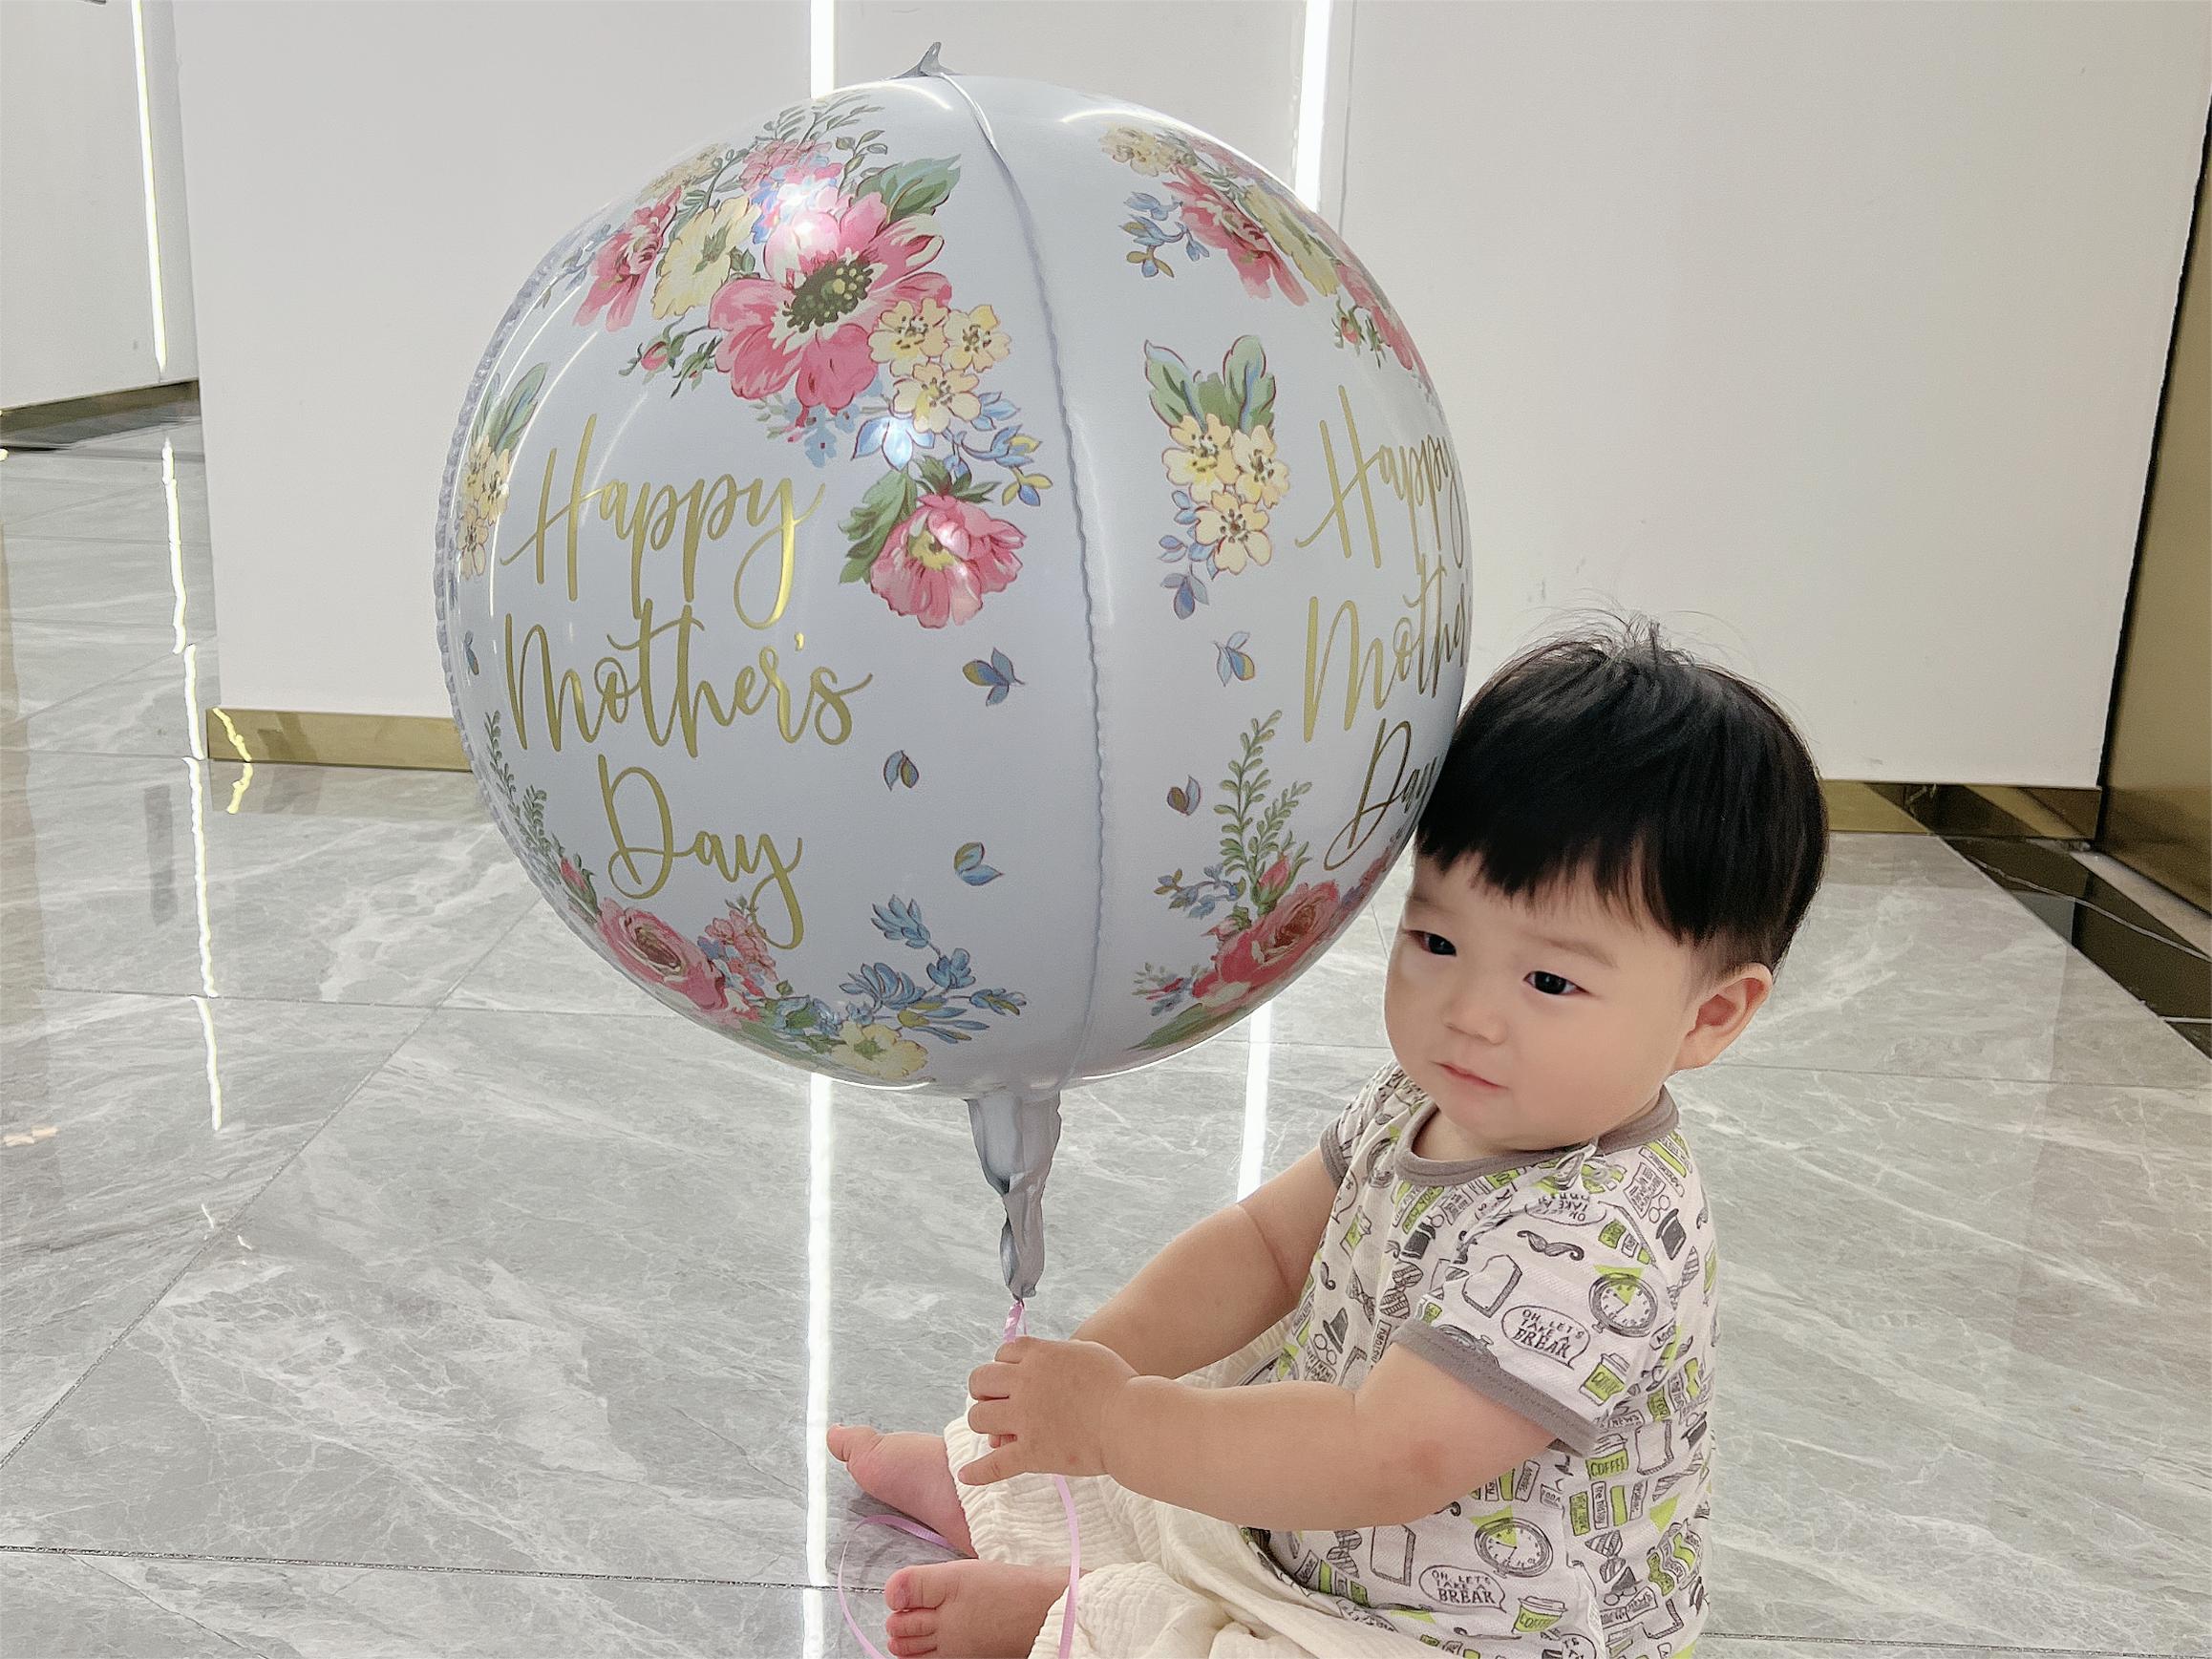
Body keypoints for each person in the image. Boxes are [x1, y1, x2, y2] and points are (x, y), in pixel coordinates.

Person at [830, 619, 1829, 1658]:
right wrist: (1102, 1365)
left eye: (1549, 981)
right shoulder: (1428, 1095)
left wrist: (1120, 1422)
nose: (1468, 1012)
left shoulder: (1592, 1242)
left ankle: (1068, 1616)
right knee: (1182, 1423)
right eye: (1436, 940)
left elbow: (1381, 1456)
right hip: (1310, 1525)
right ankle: (1007, 1491)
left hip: (1457, 1632)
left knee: (1181, 1508)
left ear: (1710, 1016)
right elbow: (1265, 1246)